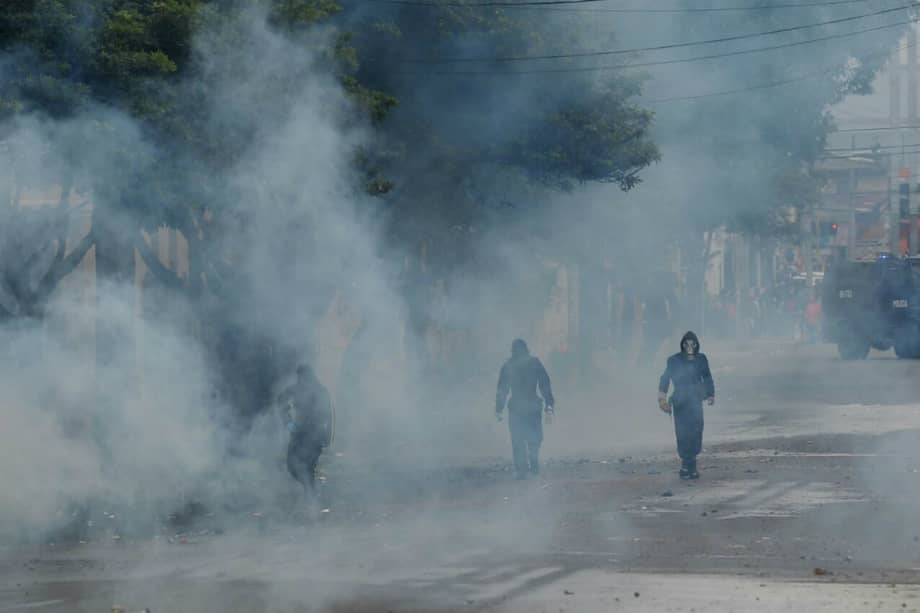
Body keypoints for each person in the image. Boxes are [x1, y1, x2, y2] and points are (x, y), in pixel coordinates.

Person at [657, 331, 715, 480]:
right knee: (682, 433)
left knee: (696, 430)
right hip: (680, 402)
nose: (689, 347)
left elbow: (707, 376)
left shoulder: (701, 359)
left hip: (695, 400)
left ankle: (692, 465)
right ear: (682, 345)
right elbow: (665, 378)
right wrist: (661, 399)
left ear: (696, 345)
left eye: (692, 344)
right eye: (687, 344)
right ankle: (685, 465)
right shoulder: (674, 361)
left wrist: (710, 394)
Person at [496, 339, 555, 479]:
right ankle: (531, 465)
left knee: (518, 440)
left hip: (518, 407)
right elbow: (545, 385)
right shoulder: (534, 363)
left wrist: (499, 408)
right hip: (531, 407)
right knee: (532, 439)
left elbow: (502, 390)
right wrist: (549, 404)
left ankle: (522, 470)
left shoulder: (508, 365)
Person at [278, 364, 334, 502]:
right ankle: (313, 489)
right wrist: (289, 423)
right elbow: (281, 404)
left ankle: (312, 499)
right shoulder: (293, 390)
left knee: (308, 466)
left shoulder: (321, 391)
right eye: (301, 377)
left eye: (306, 377)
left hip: (316, 434)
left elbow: (329, 415)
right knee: (291, 465)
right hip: (298, 434)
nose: (304, 380)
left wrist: (328, 434)